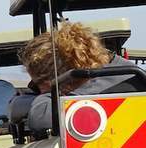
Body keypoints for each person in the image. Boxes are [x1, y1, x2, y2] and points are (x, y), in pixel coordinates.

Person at [10, 22, 145, 133]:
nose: (39, 90)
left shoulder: (87, 94)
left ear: (57, 77)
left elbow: (39, 117)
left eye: (38, 84)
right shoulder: (130, 74)